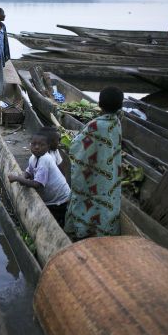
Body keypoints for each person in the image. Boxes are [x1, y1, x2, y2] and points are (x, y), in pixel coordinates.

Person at [64, 86, 124, 239]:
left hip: (93, 172)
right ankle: (104, 230)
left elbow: (76, 147)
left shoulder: (95, 125)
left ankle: (82, 231)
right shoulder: (116, 122)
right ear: (120, 106)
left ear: (99, 103)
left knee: (87, 198)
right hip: (108, 171)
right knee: (105, 199)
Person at [8, 130, 71, 227]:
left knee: (55, 224)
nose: (37, 147)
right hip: (53, 199)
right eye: (34, 144)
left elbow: (37, 184)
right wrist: (23, 177)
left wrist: (17, 179)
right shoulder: (33, 157)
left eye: (41, 145)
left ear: (48, 147)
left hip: (59, 201)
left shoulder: (45, 159)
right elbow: (28, 171)